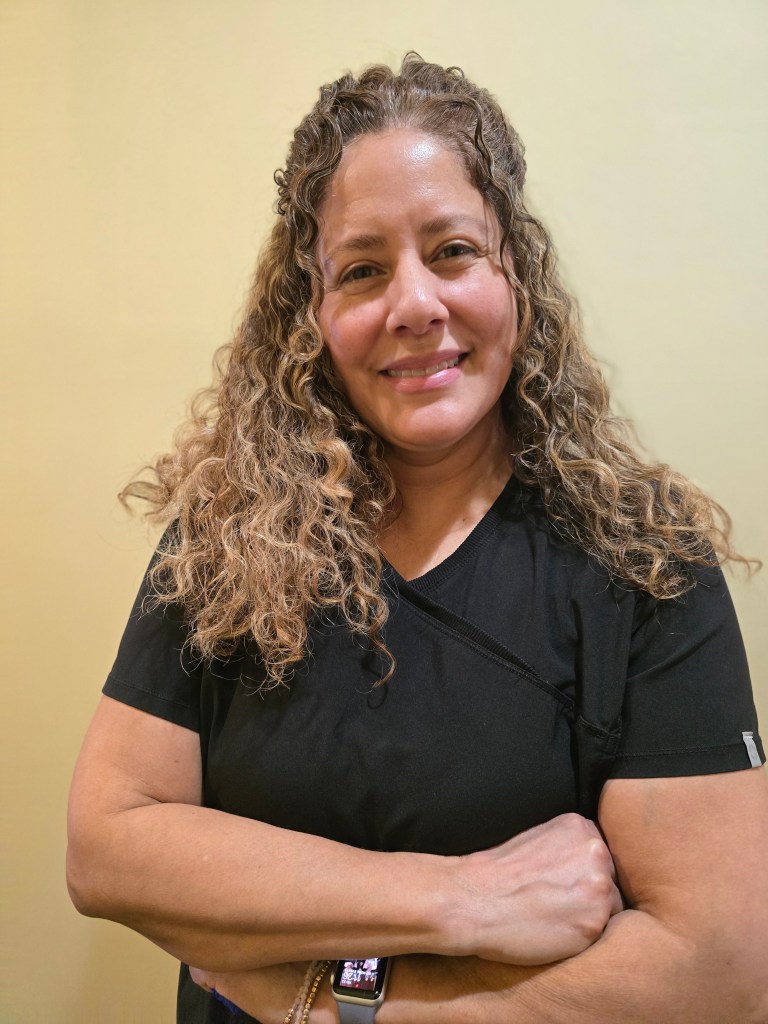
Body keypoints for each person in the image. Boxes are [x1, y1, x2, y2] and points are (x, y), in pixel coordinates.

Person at [67, 54, 768, 1023]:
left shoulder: (646, 566)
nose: (414, 305)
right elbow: (108, 846)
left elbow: (722, 963)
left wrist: (352, 1010)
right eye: (361, 270)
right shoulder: (228, 537)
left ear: (513, 272)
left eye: (451, 251)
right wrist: (464, 898)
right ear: (309, 316)